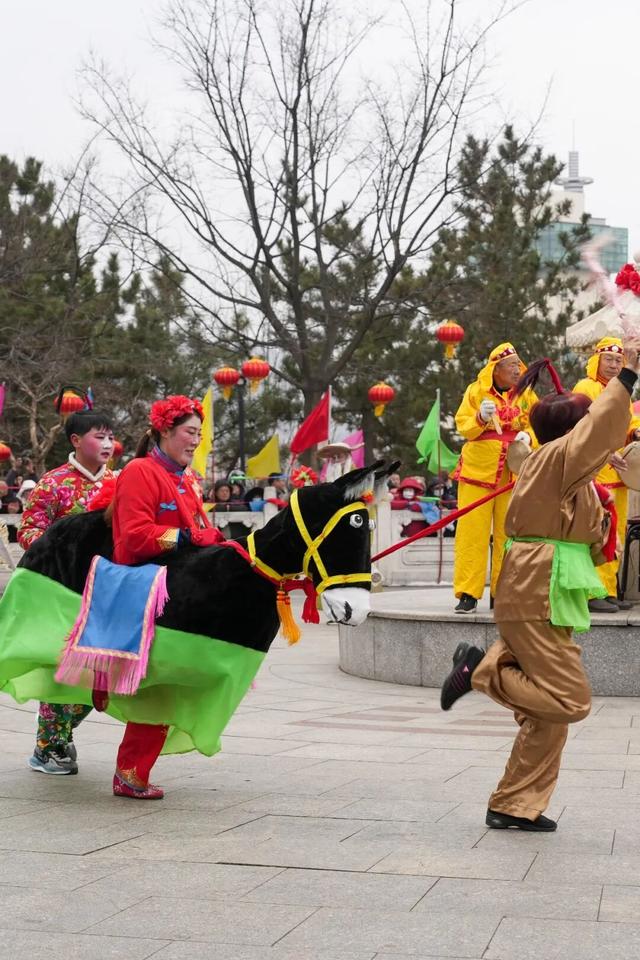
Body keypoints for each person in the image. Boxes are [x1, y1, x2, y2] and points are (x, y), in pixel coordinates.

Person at [441, 341, 640, 832]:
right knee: (571, 701)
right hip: (538, 585)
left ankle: (513, 803)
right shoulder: (557, 460)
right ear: (575, 433)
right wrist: (630, 374)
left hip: (547, 586)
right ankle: (481, 669)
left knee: (548, 717)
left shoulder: (564, 471)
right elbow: (599, 431)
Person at [110, 395, 225, 799]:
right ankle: (127, 771)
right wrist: (188, 537)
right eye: (190, 432)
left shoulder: (186, 479)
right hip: (147, 596)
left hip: (181, 594)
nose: (196, 441)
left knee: (171, 683)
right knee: (162, 685)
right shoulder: (140, 471)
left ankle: (131, 769)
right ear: (164, 431)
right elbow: (131, 538)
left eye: (200, 433)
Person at [18, 410, 115, 774]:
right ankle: (48, 747)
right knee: (64, 668)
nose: (107, 444)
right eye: (98, 436)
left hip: (107, 592)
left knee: (106, 670)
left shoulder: (122, 481)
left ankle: (59, 734)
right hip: (62, 591)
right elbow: (29, 531)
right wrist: (61, 549)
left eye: (110, 437)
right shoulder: (53, 483)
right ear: (75, 441)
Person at [452, 343, 536, 614]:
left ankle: (504, 593)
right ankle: (468, 593)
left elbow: (538, 422)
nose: (517, 370)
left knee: (508, 534)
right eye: (511, 365)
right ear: (495, 369)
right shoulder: (475, 391)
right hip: (477, 471)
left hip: (513, 472)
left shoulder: (525, 394)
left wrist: (528, 437)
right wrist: (479, 417)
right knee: (471, 534)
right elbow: (463, 426)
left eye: (518, 365)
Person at [573, 336, 640, 612]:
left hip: (617, 469)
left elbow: (627, 422)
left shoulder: (623, 391)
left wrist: (634, 433)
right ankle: (591, 592)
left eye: (618, 360)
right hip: (594, 468)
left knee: (615, 534)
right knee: (594, 530)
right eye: (609, 359)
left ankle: (608, 588)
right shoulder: (585, 387)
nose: (614, 365)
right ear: (596, 361)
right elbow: (582, 427)